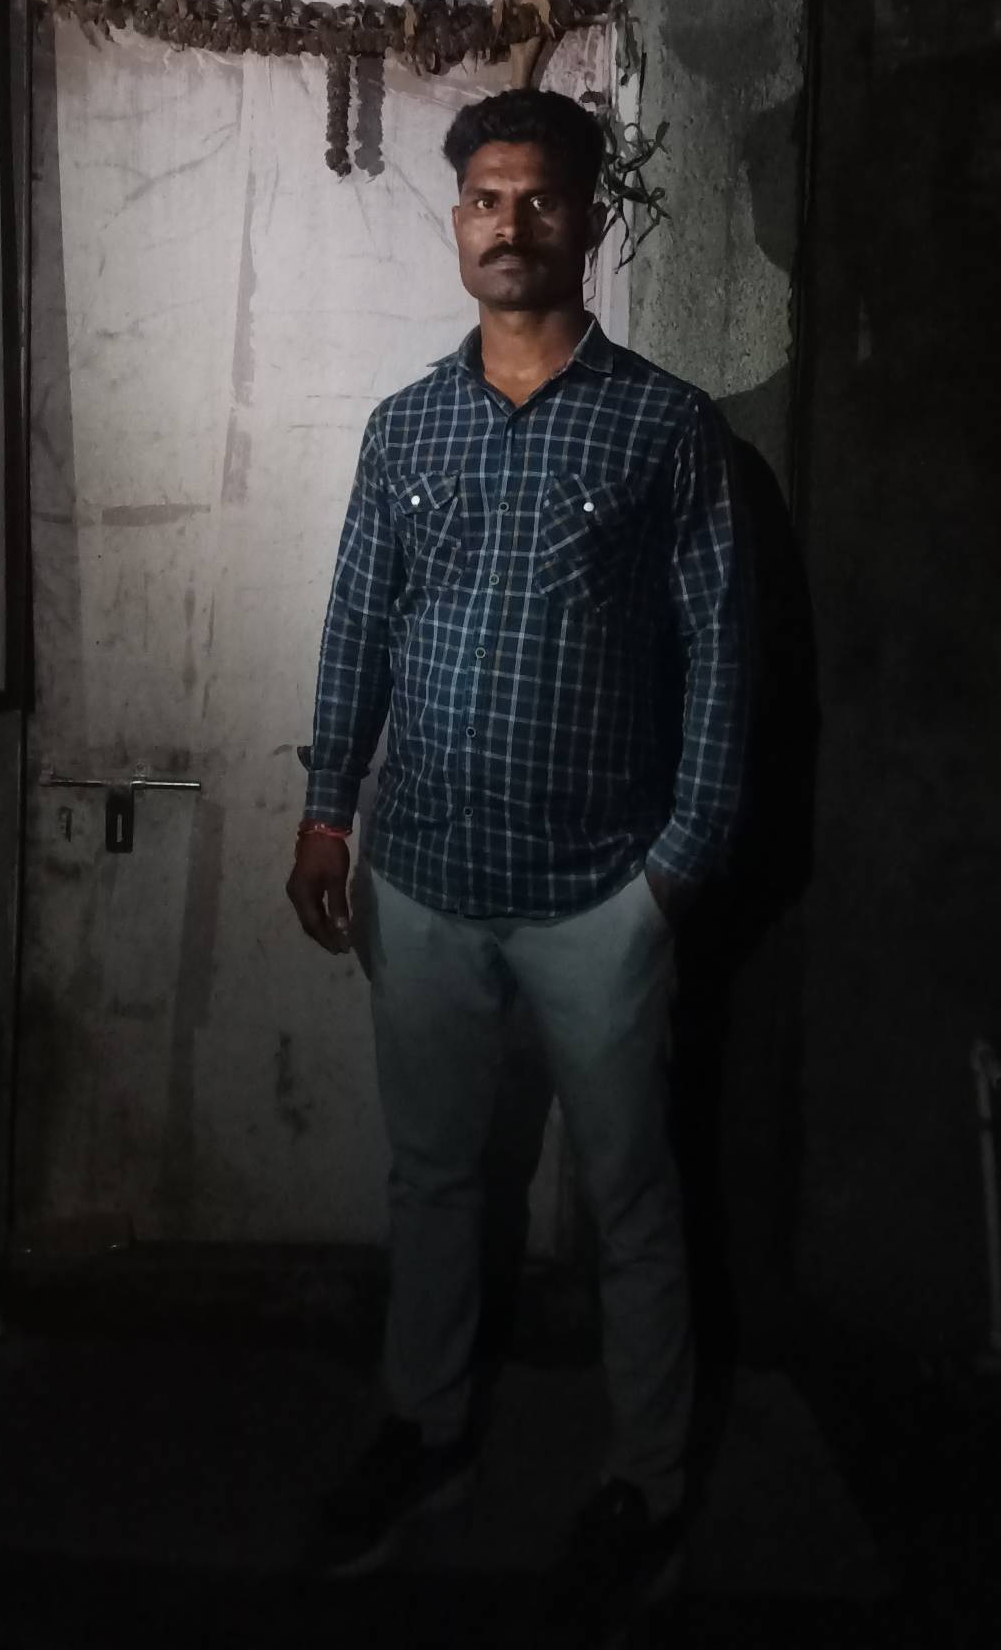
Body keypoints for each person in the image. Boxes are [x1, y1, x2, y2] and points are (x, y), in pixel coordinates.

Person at [287, 86, 752, 1633]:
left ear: (587, 221)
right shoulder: (405, 426)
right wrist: (327, 809)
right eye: (487, 198)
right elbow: (359, 623)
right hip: (420, 880)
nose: (510, 223)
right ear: (458, 222)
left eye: (539, 198)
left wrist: (676, 870)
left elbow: (723, 661)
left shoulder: (665, 428)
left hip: (599, 898)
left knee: (628, 1199)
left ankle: (648, 1480)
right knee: (433, 1179)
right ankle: (424, 1429)